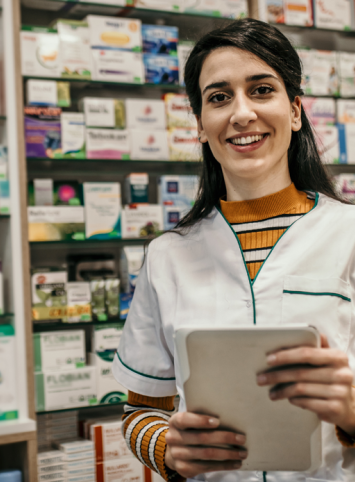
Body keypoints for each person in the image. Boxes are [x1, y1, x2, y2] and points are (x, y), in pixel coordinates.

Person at [111, 18, 355, 482]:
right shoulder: (167, 255)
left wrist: (350, 409)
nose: (241, 113)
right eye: (219, 97)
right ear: (201, 124)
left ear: (296, 110)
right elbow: (141, 410)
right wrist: (168, 449)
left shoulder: (349, 234)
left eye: (261, 90)